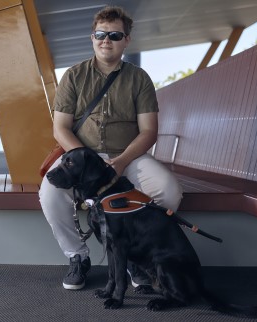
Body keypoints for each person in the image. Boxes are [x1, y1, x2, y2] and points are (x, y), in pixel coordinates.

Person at [39, 6, 183, 290]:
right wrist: (89, 162)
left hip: (128, 156)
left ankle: (134, 257)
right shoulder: (74, 76)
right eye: (101, 34)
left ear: (126, 40)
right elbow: (61, 128)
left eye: (115, 35)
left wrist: (120, 161)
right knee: (50, 193)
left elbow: (149, 131)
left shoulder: (139, 78)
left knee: (169, 192)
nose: (107, 40)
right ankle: (77, 256)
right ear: (92, 37)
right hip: (80, 156)